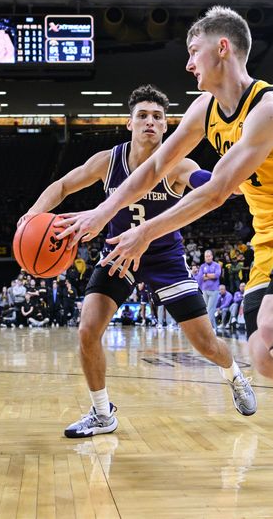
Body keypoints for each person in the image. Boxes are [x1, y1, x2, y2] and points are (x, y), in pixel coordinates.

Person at [54, 7, 273, 509]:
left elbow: (217, 191)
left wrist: (143, 233)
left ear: (223, 48)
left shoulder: (271, 108)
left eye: (193, 52)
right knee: (266, 355)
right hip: (270, 235)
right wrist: (103, 209)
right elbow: (155, 167)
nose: (189, 65)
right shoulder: (202, 110)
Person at [18, 84, 256, 439]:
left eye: (157, 117)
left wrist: (226, 181)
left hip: (164, 258)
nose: (150, 122)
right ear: (129, 123)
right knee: (87, 330)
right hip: (118, 254)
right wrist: (33, 214)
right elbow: (64, 186)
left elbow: (203, 181)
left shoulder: (178, 164)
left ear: (166, 126)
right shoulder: (108, 161)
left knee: (205, 343)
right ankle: (102, 414)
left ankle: (234, 374)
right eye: (142, 116)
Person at [198, 249, 221, 329]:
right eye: (206, 256)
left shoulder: (217, 265)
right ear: (204, 257)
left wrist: (206, 275)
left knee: (210, 309)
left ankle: (207, 328)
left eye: (209, 256)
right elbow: (201, 277)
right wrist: (211, 276)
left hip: (214, 290)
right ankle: (214, 327)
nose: (207, 258)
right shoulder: (202, 266)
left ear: (212, 256)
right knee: (206, 309)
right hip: (204, 290)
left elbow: (217, 275)